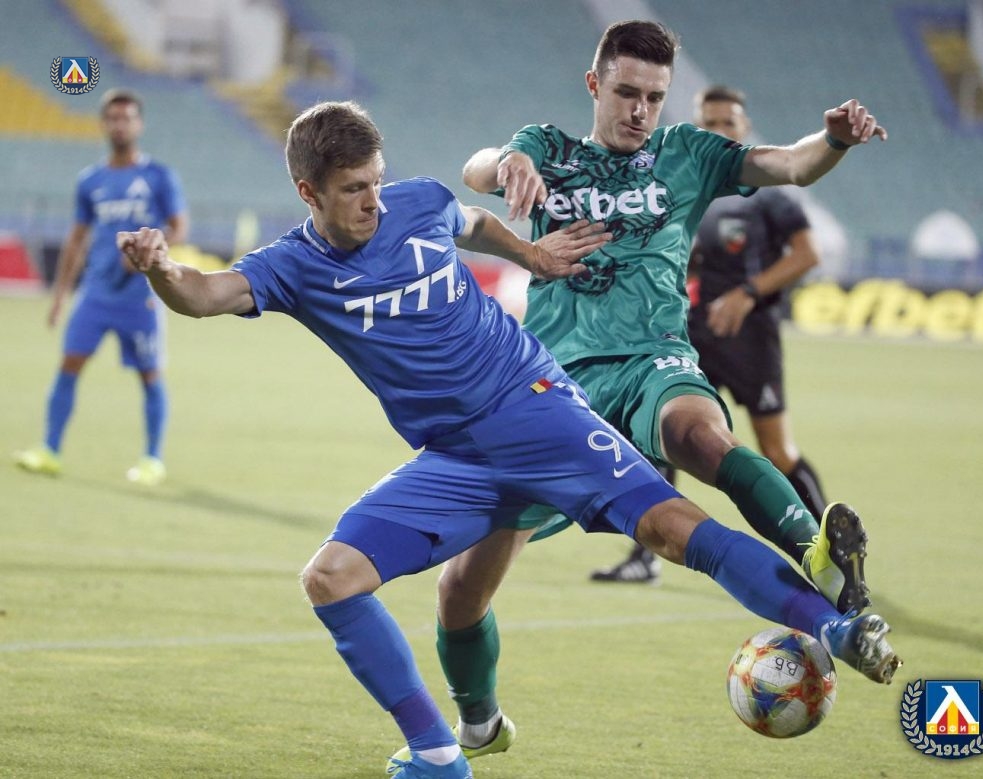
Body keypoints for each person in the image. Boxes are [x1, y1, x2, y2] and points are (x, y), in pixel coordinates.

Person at [119, 100, 898, 779]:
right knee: (339, 579)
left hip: (536, 409)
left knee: (669, 524)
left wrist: (531, 255)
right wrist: (159, 269)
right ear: (308, 192)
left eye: (377, 181)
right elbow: (205, 293)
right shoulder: (293, 266)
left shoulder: (417, 202)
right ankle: (443, 750)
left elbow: (472, 221)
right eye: (354, 189)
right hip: (456, 458)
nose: (373, 201)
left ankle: (836, 625)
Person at [405, 20, 895, 766]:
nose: (640, 110)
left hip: (652, 358)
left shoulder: (688, 153)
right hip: (550, 391)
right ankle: (477, 723)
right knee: (461, 591)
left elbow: (791, 165)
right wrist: (508, 162)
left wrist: (834, 140)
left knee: (697, 433)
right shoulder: (548, 149)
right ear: (595, 84)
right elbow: (476, 171)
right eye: (627, 92)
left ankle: (817, 554)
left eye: (655, 97)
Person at [592, 84, 832, 583]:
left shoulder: (769, 198)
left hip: (751, 338)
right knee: (659, 440)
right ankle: (644, 557)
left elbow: (808, 255)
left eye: (729, 123)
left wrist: (747, 292)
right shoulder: (681, 191)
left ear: (745, 128)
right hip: (690, 335)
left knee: (776, 452)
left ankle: (827, 553)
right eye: (710, 123)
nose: (720, 131)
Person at [13, 88, 188, 486]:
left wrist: (150, 247)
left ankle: (152, 459)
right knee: (69, 365)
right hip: (95, 294)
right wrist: (60, 296)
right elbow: (77, 238)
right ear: (104, 124)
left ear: (139, 124)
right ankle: (49, 450)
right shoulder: (90, 181)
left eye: (127, 118)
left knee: (150, 375)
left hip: (140, 296)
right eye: (113, 118)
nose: (120, 125)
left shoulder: (159, 177)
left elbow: (179, 227)